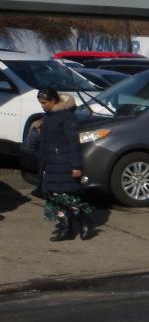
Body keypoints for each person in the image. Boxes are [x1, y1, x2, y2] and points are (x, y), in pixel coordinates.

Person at [33, 86, 94, 241]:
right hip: (50, 163)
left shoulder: (67, 118)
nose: (43, 106)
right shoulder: (48, 117)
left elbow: (74, 143)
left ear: (54, 100)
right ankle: (66, 228)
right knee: (52, 195)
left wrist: (76, 166)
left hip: (63, 163)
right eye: (41, 103)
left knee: (62, 195)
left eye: (45, 102)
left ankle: (84, 220)